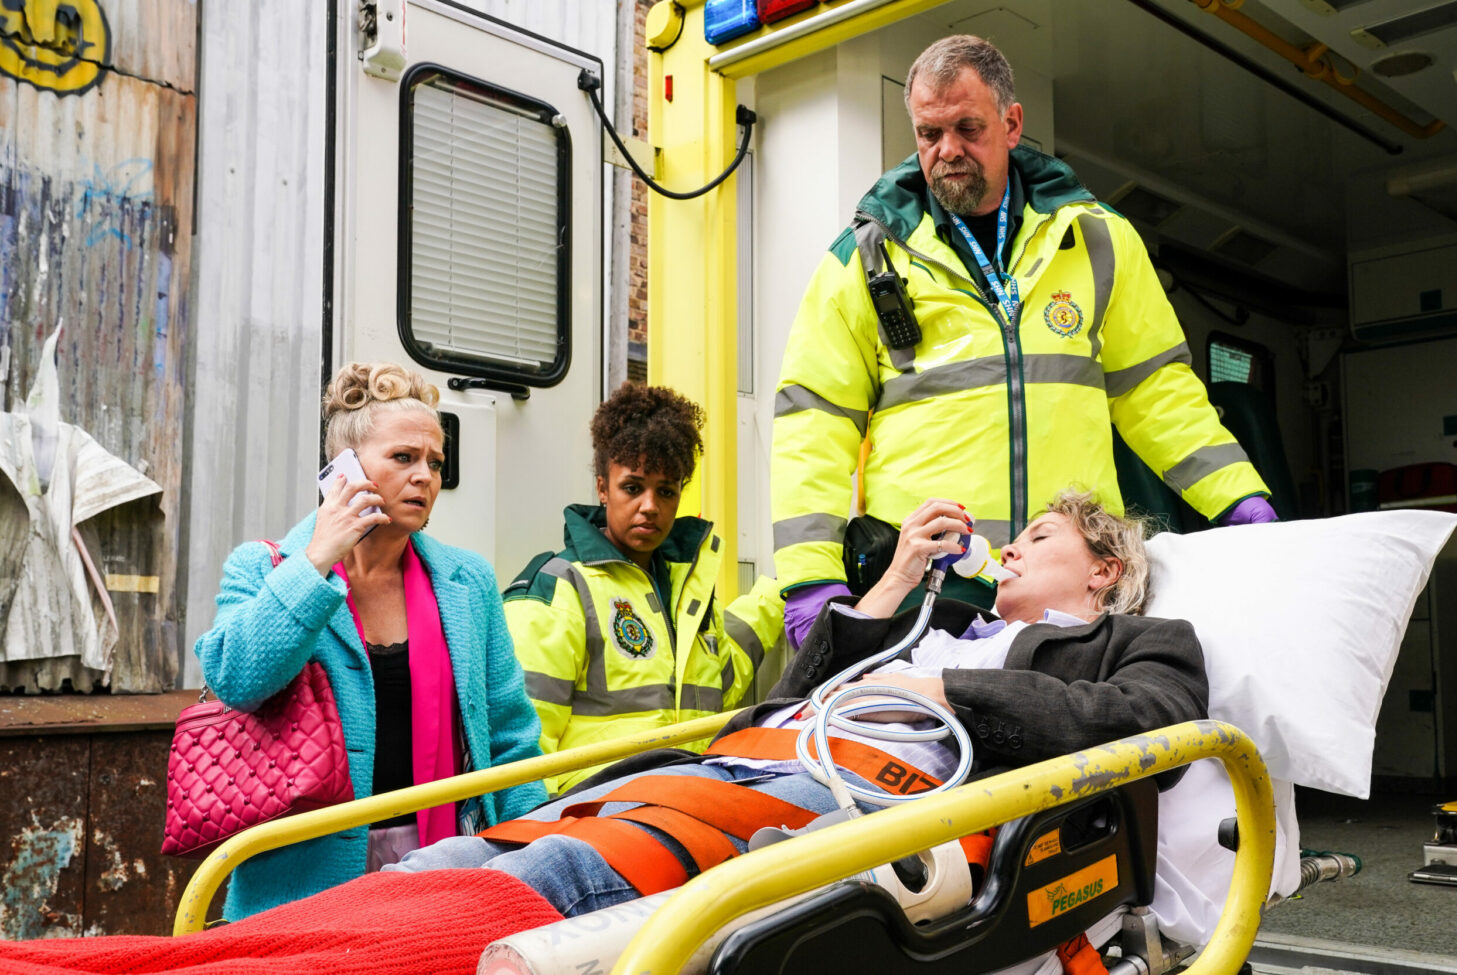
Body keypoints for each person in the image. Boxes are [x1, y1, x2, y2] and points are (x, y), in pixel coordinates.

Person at [389, 491, 1215, 944]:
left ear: (1105, 568)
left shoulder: (1138, 640)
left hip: (863, 788)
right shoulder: (947, 623)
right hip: (747, 761)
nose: (1010, 547)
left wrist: (945, 694)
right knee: (472, 849)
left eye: (1039, 535)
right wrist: (896, 579)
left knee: (556, 873)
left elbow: (1156, 723)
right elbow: (796, 693)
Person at [772, 34, 1276, 646]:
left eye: (967, 127)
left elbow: (1155, 391)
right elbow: (814, 423)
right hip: (934, 589)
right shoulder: (864, 258)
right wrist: (808, 579)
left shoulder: (1097, 240)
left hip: (1072, 590)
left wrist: (1239, 500)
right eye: (929, 135)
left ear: (1012, 124)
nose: (947, 150)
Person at [195, 362, 546, 920]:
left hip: (445, 863)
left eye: (435, 462)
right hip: (304, 878)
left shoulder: (466, 581)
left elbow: (509, 735)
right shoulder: (265, 567)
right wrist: (316, 562)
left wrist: (539, 853)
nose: (425, 477)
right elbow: (237, 679)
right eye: (403, 458)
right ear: (343, 471)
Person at [504, 382, 784, 794]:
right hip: (587, 817)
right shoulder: (559, 587)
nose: (650, 505)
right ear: (603, 488)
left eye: (666, 491)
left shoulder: (687, 588)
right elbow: (521, 741)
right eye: (633, 487)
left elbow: (725, 675)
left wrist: (787, 589)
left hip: (685, 803)